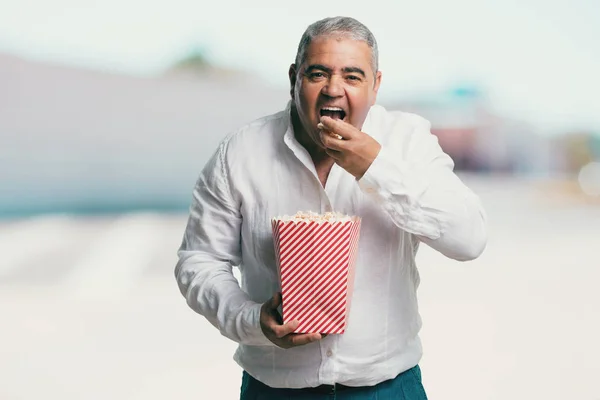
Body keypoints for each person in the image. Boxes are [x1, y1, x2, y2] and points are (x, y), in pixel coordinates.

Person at [174, 16, 487, 400]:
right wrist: (253, 320)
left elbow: (469, 239)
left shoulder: (407, 141)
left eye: (353, 77)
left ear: (375, 86)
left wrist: (376, 168)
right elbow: (199, 261)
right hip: (274, 389)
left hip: (389, 387)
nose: (333, 90)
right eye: (317, 74)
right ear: (294, 78)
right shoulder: (240, 152)